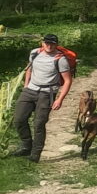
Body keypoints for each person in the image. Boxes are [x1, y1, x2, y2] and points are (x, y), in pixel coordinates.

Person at [10, 33, 73, 162]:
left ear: (56, 44)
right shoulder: (35, 53)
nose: (49, 46)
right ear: (42, 43)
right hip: (30, 90)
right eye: (47, 43)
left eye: (52, 43)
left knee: (39, 123)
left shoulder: (60, 59)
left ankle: (35, 154)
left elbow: (67, 81)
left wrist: (59, 99)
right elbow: (29, 68)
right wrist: (26, 85)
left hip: (47, 92)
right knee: (18, 119)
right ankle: (26, 145)